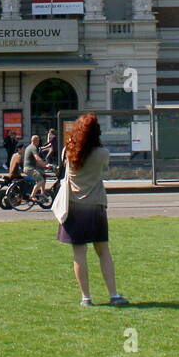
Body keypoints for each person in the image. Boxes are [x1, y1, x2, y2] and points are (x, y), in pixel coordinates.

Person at [57, 113, 127, 307]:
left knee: (79, 254)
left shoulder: (67, 151)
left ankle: (85, 298)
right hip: (95, 205)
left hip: (73, 207)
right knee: (103, 251)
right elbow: (103, 169)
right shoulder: (102, 154)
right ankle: (113, 294)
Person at [22, 134, 49, 200]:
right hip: (29, 169)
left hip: (30, 167)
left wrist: (43, 164)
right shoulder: (33, 147)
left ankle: (43, 193)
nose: (39, 142)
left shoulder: (29, 147)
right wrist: (45, 165)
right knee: (41, 180)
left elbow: (36, 161)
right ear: (35, 141)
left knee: (43, 175)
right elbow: (37, 158)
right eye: (38, 140)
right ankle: (32, 196)